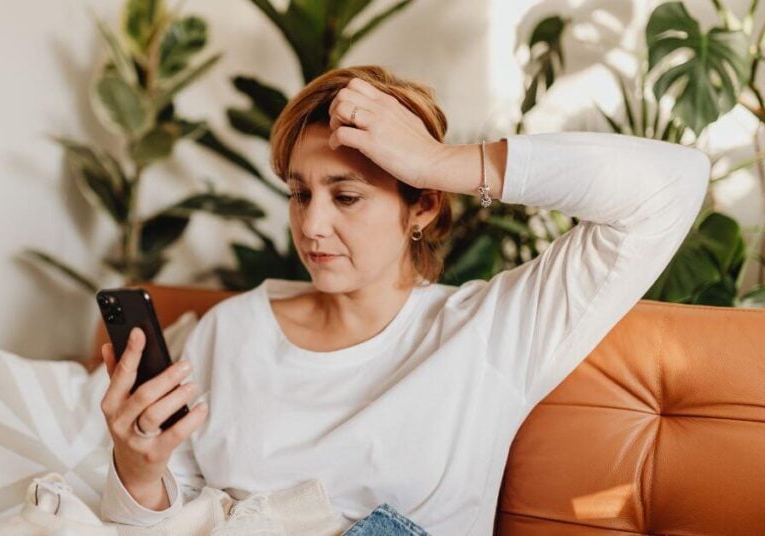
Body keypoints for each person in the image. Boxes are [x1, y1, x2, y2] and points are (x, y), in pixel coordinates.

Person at [96, 65, 711, 535]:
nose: (311, 226)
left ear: (423, 204)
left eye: (347, 196)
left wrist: (441, 160)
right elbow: (158, 519)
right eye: (299, 193)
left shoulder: (491, 331)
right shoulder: (229, 331)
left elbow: (672, 185)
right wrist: (138, 469)